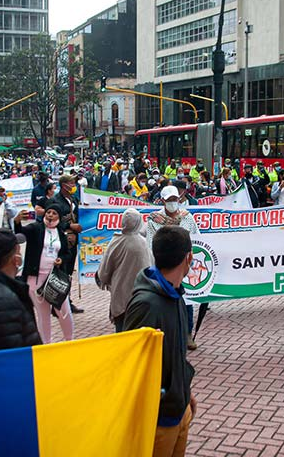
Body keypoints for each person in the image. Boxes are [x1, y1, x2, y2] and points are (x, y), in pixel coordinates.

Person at [124, 226, 197, 457]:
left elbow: (175, 353)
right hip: (158, 420)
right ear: (189, 257)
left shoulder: (175, 293)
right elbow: (132, 364)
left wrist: (185, 392)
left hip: (179, 408)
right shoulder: (147, 304)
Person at [146, 185, 200, 350]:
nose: (173, 203)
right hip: (163, 266)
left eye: (175, 199)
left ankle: (187, 334)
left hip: (184, 265)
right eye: (169, 200)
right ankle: (165, 335)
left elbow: (197, 239)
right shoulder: (155, 219)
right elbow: (150, 242)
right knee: (163, 301)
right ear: (162, 201)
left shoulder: (187, 217)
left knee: (187, 301)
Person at [14, 205, 74, 343]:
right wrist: (17, 221)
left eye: (54, 213)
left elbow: (67, 253)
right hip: (35, 278)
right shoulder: (36, 228)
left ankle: (69, 341)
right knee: (43, 314)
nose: (50, 215)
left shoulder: (61, 232)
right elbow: (20, 233)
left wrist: (61, 260)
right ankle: (46, 344)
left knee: (64, 311)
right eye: (48, 212)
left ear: (58, 216)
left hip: (55, 278)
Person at [96, 208, 151, 332]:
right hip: (141, 297)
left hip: (120, 296)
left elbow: (104, 273)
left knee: (121, 333)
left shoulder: (115, 242)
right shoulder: (143, 244)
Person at [49, 174, 84, 313]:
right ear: (64, 185)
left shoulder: (74, 199)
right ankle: (56, 302)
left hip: (73, 241)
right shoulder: (55, 201)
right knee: (60, 272)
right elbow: (52, 221)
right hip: (61, 241)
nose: (74, 185)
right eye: (71, 183)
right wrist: (70, 226)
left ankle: (67, 301)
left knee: (68, 272)